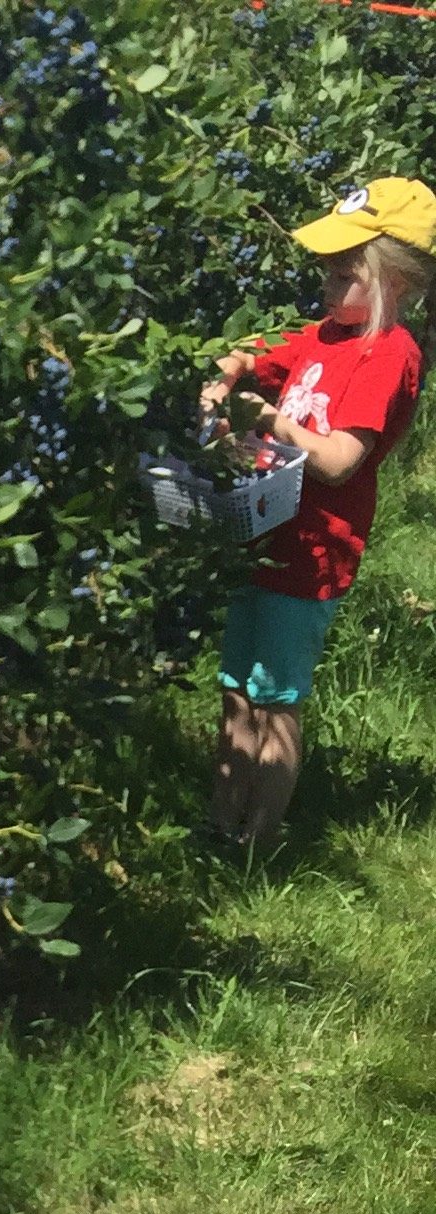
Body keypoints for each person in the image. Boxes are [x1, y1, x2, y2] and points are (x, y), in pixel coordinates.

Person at [205, 175, 435, 851]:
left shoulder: (389, 355)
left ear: (395, 280)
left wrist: (271, 421)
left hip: (315, 554)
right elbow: (254, 353)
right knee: (235, 691)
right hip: (263, 535)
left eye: (344, 276)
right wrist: (223, 373)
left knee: (276, 700)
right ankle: (218, 824)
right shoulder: (321, 336)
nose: (328, 290)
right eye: (327, 276)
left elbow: (339, 460)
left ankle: (258, 840)